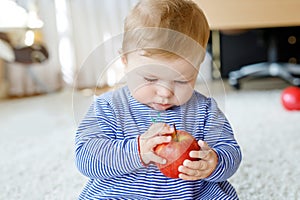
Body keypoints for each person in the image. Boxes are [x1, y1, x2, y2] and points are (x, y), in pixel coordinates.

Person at [75, 0, 242, 199]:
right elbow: (86, 158)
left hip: (190, 194)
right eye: (150, 78)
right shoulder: (108, 107)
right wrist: (136, 151)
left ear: (198, 66)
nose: (165, 92)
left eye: (181, 81)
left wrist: (213, 163)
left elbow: (231, 151)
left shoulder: (204, 110)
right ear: (125, 62)